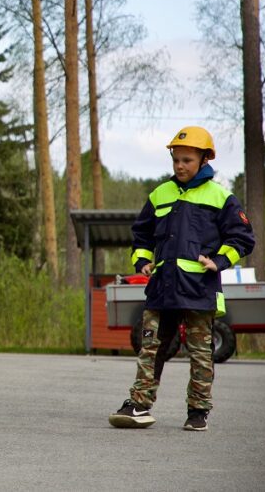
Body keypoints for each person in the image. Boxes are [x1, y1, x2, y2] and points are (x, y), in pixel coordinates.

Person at [109, 126, 254, 432]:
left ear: (204, 160)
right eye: (176, 159)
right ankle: (138, 404)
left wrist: (218, 261)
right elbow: (141, 234)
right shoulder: (160, 194)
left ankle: (198, 411)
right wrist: (143, 260)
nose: (180, 166)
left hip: (200, 290)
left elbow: (243, 238)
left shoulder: (221, 197)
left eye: (187, 160)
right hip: (162, 288)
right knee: (150, 347)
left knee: (201, 352)